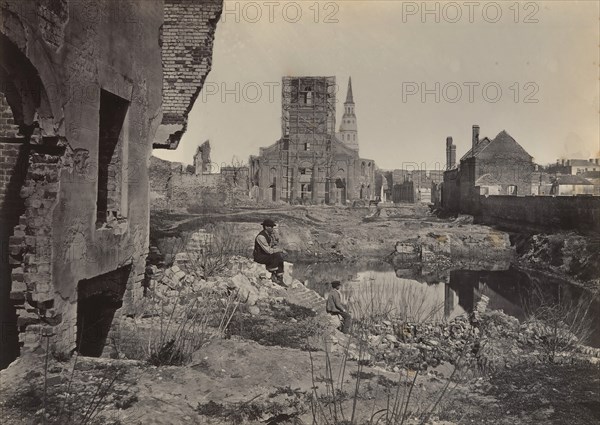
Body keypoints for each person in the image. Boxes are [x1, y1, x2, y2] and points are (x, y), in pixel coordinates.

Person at [253, 218, 285, 285]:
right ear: (266, 227)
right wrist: (279, 250)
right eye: (270, 227)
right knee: (276, 255)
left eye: (272, 227)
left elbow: (273, 246)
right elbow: (268, 250)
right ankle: (273, 275)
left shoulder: (269, 235)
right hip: (260, 256)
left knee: (280, 256)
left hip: (266, 255)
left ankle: (280, 278)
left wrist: (276, 238)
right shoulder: (261, 237)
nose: (272, 228)